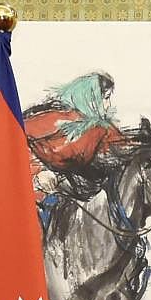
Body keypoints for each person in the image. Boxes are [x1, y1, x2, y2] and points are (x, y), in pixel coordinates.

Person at [23, 72, 127, 225]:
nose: (108, 105)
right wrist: (38, 172)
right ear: (90, 97)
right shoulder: (55, 119)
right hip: (36, 187)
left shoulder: (105, 129)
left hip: (77, 193)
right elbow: (16, 138)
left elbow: (123, 150)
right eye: (105, 98)